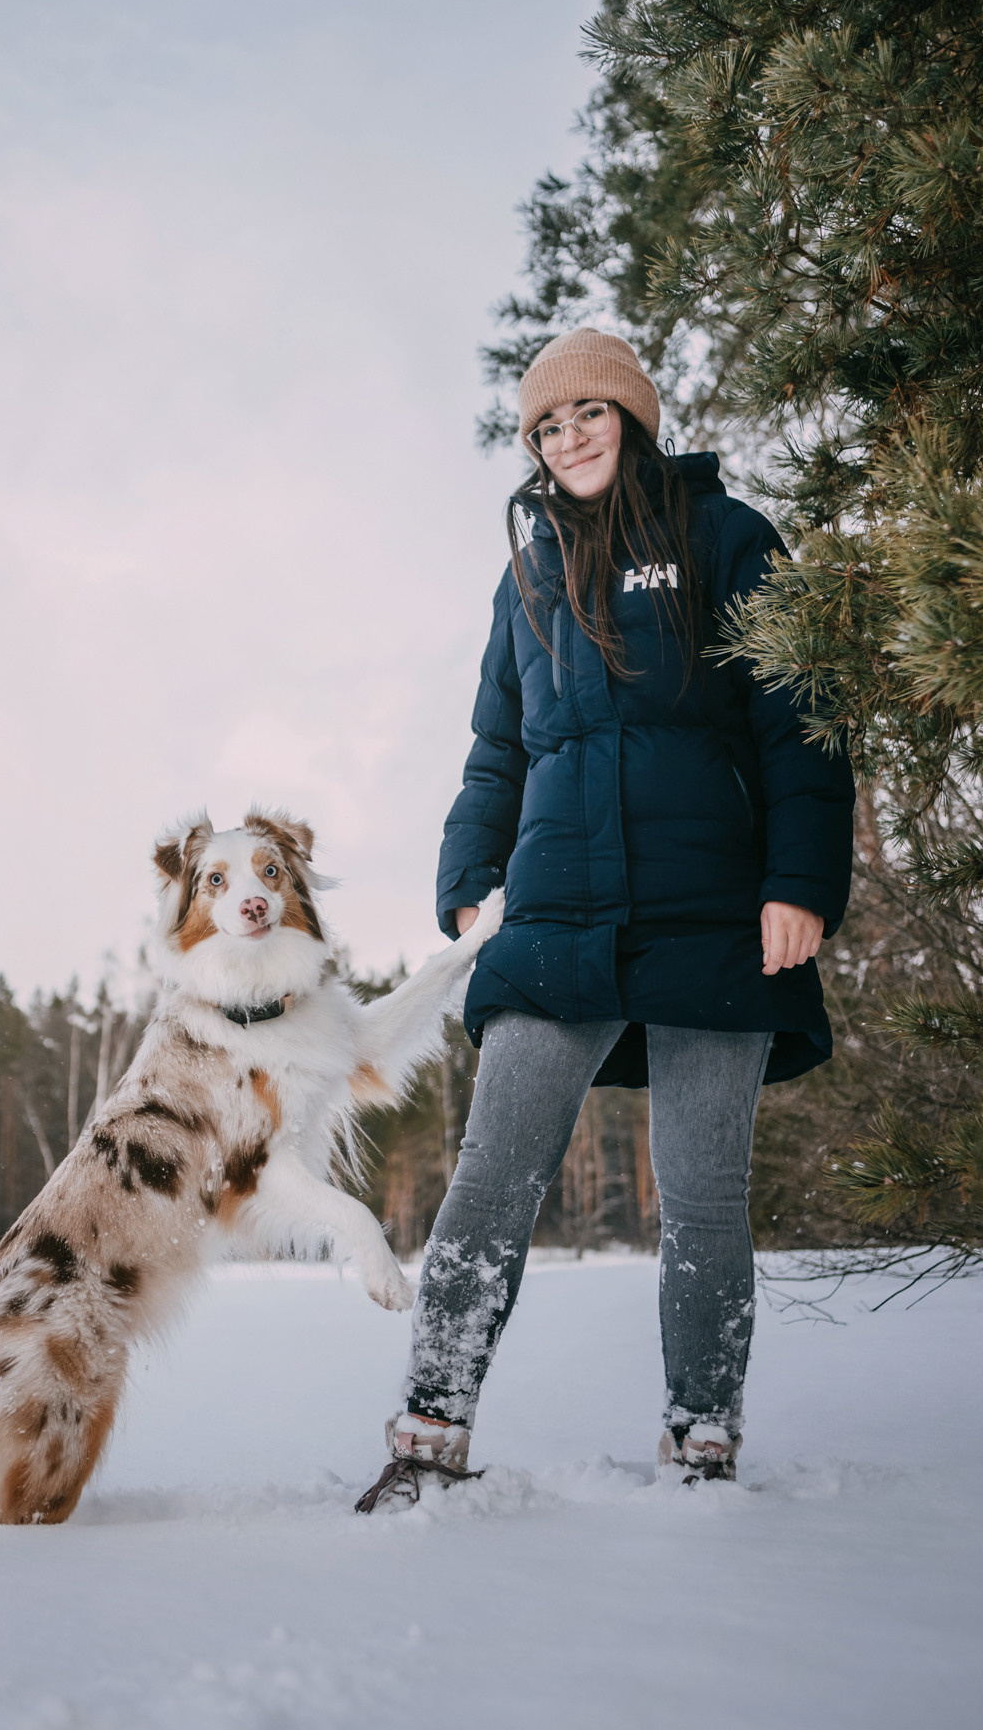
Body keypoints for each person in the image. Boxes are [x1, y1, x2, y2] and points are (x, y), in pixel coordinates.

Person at [356, 329, 854, 1512]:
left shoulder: (726, 538)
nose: (567, 437)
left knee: (702, 1198)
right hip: (558, 918)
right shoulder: (526, 575)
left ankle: (700, 1441)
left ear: (632, 420)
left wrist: (799, 885)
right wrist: (468, 870)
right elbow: (496, 745)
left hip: (714, 915)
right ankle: (429, 1430)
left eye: (589, 415)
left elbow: (798, 718)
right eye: (544, 425)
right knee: (488, 1182)